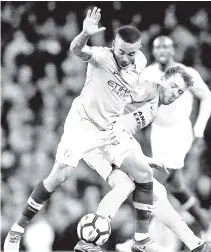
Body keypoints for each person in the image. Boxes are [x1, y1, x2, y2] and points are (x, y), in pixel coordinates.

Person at [3, 8, 186, 252]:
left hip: (109, 130)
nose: (125, 58)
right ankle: (17, 229)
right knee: (60, 176)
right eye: (120, 51)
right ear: (113, 45)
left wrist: (158, 98)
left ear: (139, 51)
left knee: (143, 176)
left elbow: (133, 92)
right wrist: (84, 34)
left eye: (130, 53)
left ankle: (141, 241)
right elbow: (77, 50)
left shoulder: (140, 63)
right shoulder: (101, 57)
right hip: (82, 125)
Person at [74, 71, 211, 252]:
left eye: (179, 91)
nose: (175, 93)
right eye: (173, 86)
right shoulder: (148, 89)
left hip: (104, 143)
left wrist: (144, 159)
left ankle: (196, 245)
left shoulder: (155, 107)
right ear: (162, 80)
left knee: (150, 191)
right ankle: (134, 241)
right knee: (144, 186)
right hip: (101, 137)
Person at [115, 35, 211, 252]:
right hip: (158, 133)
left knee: (149, 182)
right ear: (153, 51)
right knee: (176, 186)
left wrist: (199, 131)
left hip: (179, 133)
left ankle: (141, 239)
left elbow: (207, 98)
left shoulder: (186, 73)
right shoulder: (149, 72)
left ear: (173, 50)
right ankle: (208, 225)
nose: (162, 51)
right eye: (157, 47)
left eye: (167, 47)